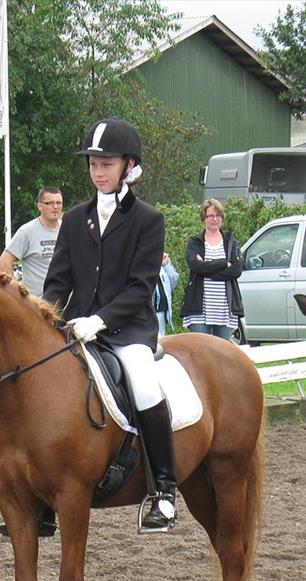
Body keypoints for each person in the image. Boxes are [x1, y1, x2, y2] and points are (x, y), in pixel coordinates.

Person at [43, 117, 176, 533]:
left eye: (107, 164)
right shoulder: (74, 218)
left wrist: (99, 321)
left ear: (128, 166)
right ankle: (40, 495)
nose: (98, 172)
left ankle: (164, 491)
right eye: (93, 164)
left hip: (128, 330)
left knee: (143, 382)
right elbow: (57, 281)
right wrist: (49, 319)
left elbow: (140, 288)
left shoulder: (148, 220)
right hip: (76, 325)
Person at [182, 199, 243, 341]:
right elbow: (195, 266)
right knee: (201, 350)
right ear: (204, 218)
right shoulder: (194, 242)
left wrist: (206, 269)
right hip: (199, 309)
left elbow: (236, 270)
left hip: (224, 309)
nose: (214, 219)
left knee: (222, 353)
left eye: (218, 215)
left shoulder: (231, 242)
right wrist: (223, 263)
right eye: (210, 216)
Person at [0, 187, 63, 296]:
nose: (55, 207)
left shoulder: (68, 228)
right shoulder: (27, 231)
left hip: (65, 304)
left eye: (58, 203)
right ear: (40, 206)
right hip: (37, 305)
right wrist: (15, 291)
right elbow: (4, 262)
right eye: (50, 203)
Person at [154, 251, 180, 337]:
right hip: (146, 313)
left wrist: (166, 265)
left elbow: (172, 283)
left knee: (160, 343)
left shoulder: (160, 265)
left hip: (161, 312)